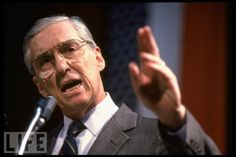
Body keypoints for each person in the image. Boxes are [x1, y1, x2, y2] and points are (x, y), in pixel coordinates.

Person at [23, 14, 221, 155]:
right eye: (45, 61)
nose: (61, 66)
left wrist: (176, 118)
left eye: (70, 49)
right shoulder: (27, 147)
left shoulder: (159, 138)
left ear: (98, 58)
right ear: (40, 86)